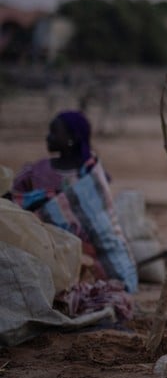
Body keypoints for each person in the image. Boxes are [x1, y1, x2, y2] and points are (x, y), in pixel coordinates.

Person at [9, 110, 137, 292]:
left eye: (54, 132)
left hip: (88, 252)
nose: (48, 137)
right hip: (46, 248)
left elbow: (102, 222)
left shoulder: (91, 174)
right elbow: (15, 202)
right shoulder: (36, 170)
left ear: (72, 138)